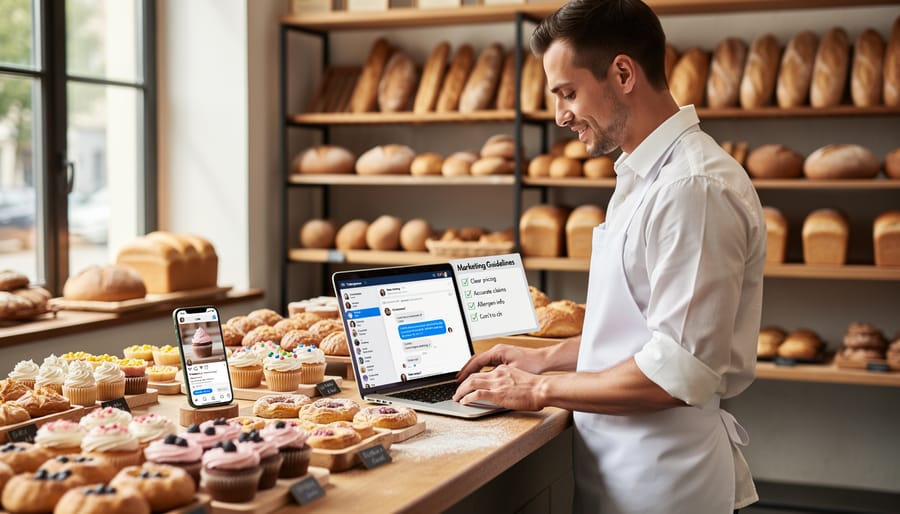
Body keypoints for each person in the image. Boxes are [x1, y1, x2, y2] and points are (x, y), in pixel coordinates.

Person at [453, 1, 765, 513]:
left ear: (623, 73)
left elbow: (675, 371)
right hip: (623, 470)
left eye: (568, 93)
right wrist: (544, 356)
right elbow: (640, 329)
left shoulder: (693, 186)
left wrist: (539, 389)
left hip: (664, 484)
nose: (560, 116)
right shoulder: (643, 174)